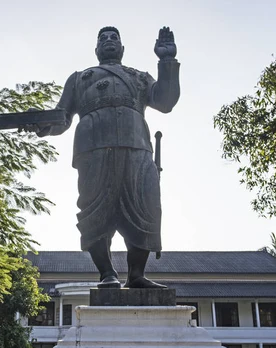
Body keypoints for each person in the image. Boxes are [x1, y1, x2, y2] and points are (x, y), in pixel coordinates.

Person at [35, 26, 180, 288]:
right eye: (103, 38)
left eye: (115, 38)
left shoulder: (138, 77)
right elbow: (62, 117)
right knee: (94, 208)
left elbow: (166, 102)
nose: (109, 41)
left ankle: (136, 275)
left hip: (136, 147)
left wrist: (166, 61)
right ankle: (107, 273)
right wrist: (43, 125)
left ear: (122, 49)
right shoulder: (80, 79)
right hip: (93, 149)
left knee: (146, 206)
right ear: (96, 49)